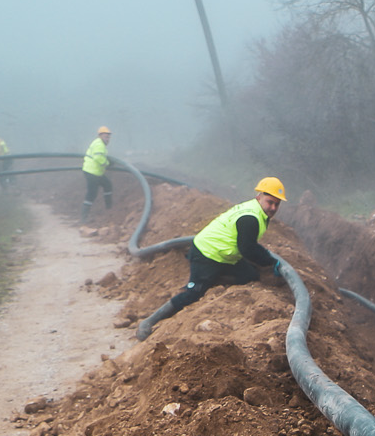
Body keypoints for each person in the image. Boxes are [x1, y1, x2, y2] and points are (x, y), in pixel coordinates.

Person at [134, 178, 290, 340]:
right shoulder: (250, 218)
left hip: (226, 256)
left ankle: (213, 280)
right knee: (193, 294)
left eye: (276, 204)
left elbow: (248, 247)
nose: (273, 208)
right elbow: (248, 249)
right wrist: (270, 261)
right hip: (206, 254)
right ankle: (149, 322)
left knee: (250, 276)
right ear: (259, 197)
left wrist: (266, 260)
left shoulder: (256, 211)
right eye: (270, 202)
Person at [80, 125, 113, 224]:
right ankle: (84, 218)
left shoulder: (100, 144)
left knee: (108, 185)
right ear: (100, 136)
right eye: (106, 136)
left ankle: (109, 209)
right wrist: (107, 163)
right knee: (92, 194)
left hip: (96, 172)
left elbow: (100, 156)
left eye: (108, 137)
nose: (108, 138)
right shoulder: (99, 144)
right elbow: (98, 158)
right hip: (92, 173)